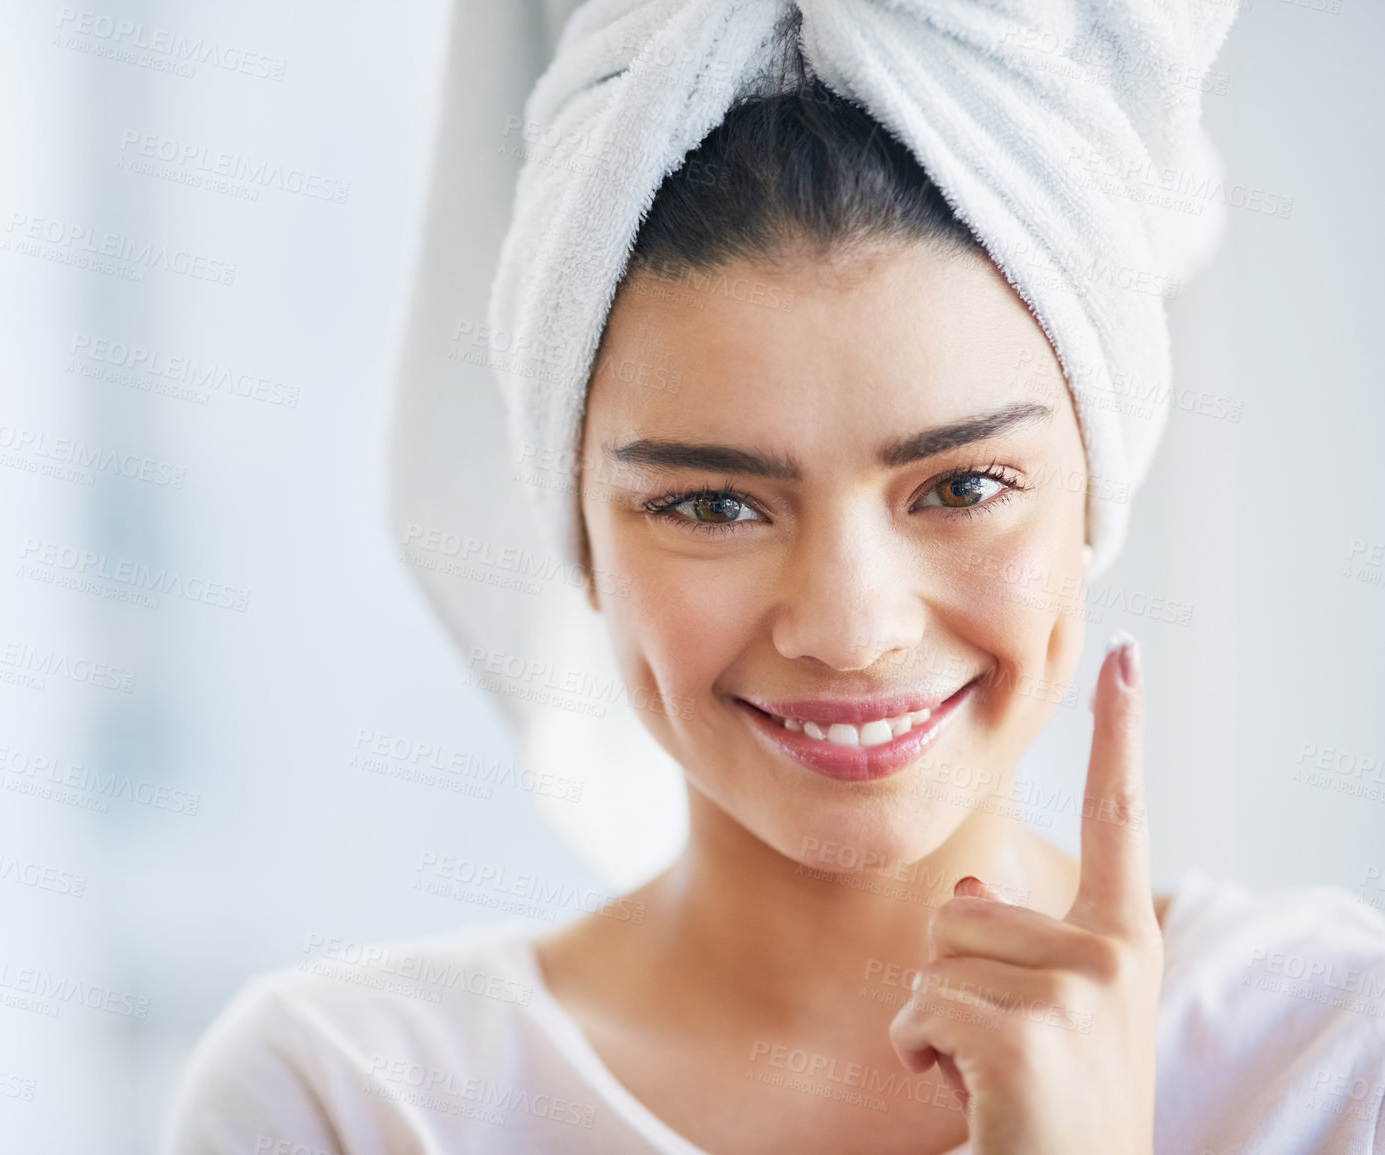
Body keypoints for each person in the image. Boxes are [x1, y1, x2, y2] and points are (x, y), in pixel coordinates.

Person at [164, 17, 1385, 1155]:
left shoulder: (1332, 1059)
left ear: (1094, 491)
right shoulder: (350, 1102)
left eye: (962, 487)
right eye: (711, 505)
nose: (851, 629)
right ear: (581, 531)